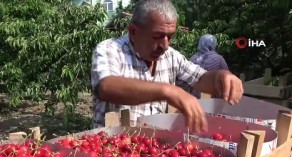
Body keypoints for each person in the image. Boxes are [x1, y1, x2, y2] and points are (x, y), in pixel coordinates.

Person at [90, 0, 243, 133]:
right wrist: (167, 91)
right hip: (111, 153)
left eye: (170, 36)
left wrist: (220, 76)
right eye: (157, 36)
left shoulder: (170, 56)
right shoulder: (110, 49)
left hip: (150, 150)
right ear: (133, 31)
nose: (165, 45)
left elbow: (200, 78)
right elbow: (106, 86)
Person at [178, 34, 230, 98]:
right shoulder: (219, 58)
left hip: (195, 96)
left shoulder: (193, 58)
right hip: (213, 96)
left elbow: (186, 79)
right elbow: (227, 76)